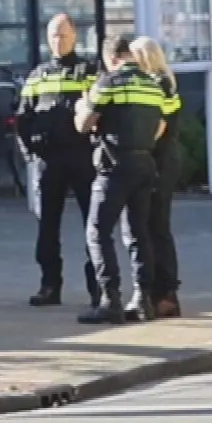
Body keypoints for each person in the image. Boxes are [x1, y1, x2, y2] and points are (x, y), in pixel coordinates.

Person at [73, 34, 168, 325]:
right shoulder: (153, 85)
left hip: (114, 165)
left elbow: (83, 124)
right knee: (138, 233)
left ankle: (110, 300)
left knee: (98, 232)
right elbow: (161, 125)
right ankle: (142, 301)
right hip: (144, 163)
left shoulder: (108, 82)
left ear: (110, 57)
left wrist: (82, 106)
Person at [17, 14, 101, 308]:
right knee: (47, 226)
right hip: (48, 160)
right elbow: (23, 118)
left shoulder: (89, 71)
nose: (58, 40)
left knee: (94, 225)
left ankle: (98, 287)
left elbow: (102, 110)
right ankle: (49, 285)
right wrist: (30, 154)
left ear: (74, 36)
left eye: (63, 35)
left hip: (82, 157)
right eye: (53, 35)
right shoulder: (37, 75)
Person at [128, 37, 184, 319]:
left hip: (158, 162)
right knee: (155, 227)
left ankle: (164, 292)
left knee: (155, 228)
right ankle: (163, 292)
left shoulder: (157, 84)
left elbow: (159, 127)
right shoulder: (166, 81)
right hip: (164, 160)